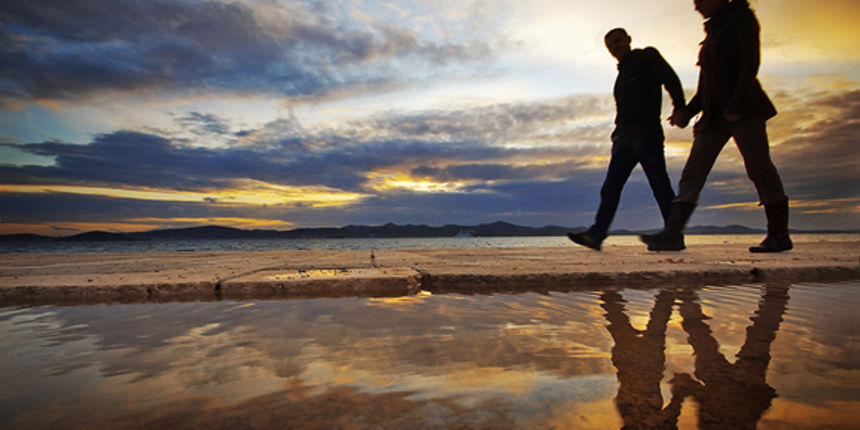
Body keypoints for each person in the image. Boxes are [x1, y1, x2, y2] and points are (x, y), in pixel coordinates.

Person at [640, 0, 792, 252]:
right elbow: (706, 86)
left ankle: (779, 235)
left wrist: (736, 106)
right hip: (713, 117)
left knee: (759, 168)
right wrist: (688, 112)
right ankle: (672, 234)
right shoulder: (712, 32)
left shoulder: (741, 18)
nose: (696, 7)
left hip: (744, 112)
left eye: (700, 1)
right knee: (693, 172)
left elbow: (750, 64)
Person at [568, 28, 685, 251]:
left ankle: (674, 235)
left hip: (647, 134)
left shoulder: (646, 57)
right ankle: (596, 234)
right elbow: (624, 107)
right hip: (624, 139)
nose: (615, 47)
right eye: (610, 46)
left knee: (660, 185)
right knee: (610, 187)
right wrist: (616, 131)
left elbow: (670, 79)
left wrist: (680, 107)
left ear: (629, 40)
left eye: (618, 42)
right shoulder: (621, 74)